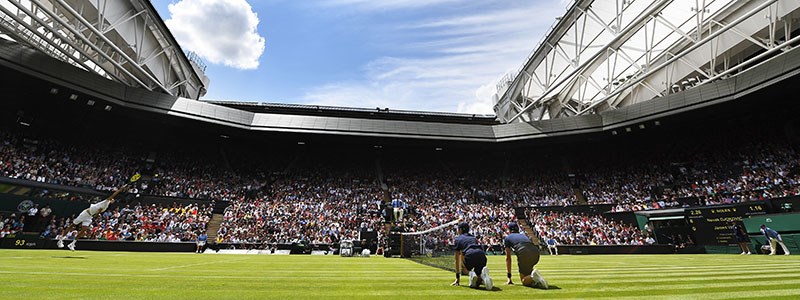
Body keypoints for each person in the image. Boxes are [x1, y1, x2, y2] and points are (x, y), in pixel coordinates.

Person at [57, 179, 135, 251]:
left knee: (83, 231)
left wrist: (98, 213)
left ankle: (72, 243)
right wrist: (122, 188)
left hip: (89, 216)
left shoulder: (105, 207)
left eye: (113, 200)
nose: (113, 199)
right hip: (85, 213)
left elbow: (96, 214)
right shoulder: (106, 202)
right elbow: (115, 194)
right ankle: (60, 240)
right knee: (72, 226)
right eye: (112, 199)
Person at [504, 222, 547, 289]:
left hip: (523, 252)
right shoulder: (524, 235)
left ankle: (533, 277)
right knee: (528, 272)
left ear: (509, 230)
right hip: (535, 252)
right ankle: (535, 278)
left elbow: (508, 258)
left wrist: (509, 277)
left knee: (524, 281)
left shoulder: (507, 238)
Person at [451, 222, 492, 290]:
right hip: (481, 255)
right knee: (477, 281)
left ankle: (471, 274)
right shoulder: (473, 237)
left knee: (463, 266)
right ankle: (482, 277)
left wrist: (457, 278)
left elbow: (456, 259)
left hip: (470, 255)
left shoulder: (457, 239)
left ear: (460, 230)